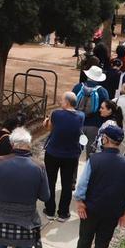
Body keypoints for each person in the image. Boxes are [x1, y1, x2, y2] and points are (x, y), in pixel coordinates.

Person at [65, 126, 125, 248]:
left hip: (91, 209)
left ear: (105, 139)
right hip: (113, 211)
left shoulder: (95, 159)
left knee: (85, 239)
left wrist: (79, 203)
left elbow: (82, 185)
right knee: (102, 244)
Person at [42, 92, 84, 222]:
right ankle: (63, 213)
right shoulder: (81, 116)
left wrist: (46, 120)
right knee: (67, 184)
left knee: (50, 181)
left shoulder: (56, 114)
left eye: (62, 100)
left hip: (53, 153)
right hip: (71, 155)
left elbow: (48, 127)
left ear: (66, 102)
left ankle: (50, 210)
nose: (60, 102)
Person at [72, 66, 110, 156]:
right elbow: (106, 108)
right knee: (91, 153)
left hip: (78, 123)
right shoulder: (103, 91)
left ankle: (73, 169)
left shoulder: (77, 87)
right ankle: (89, 169)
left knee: (74, 152)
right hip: (94, 124)